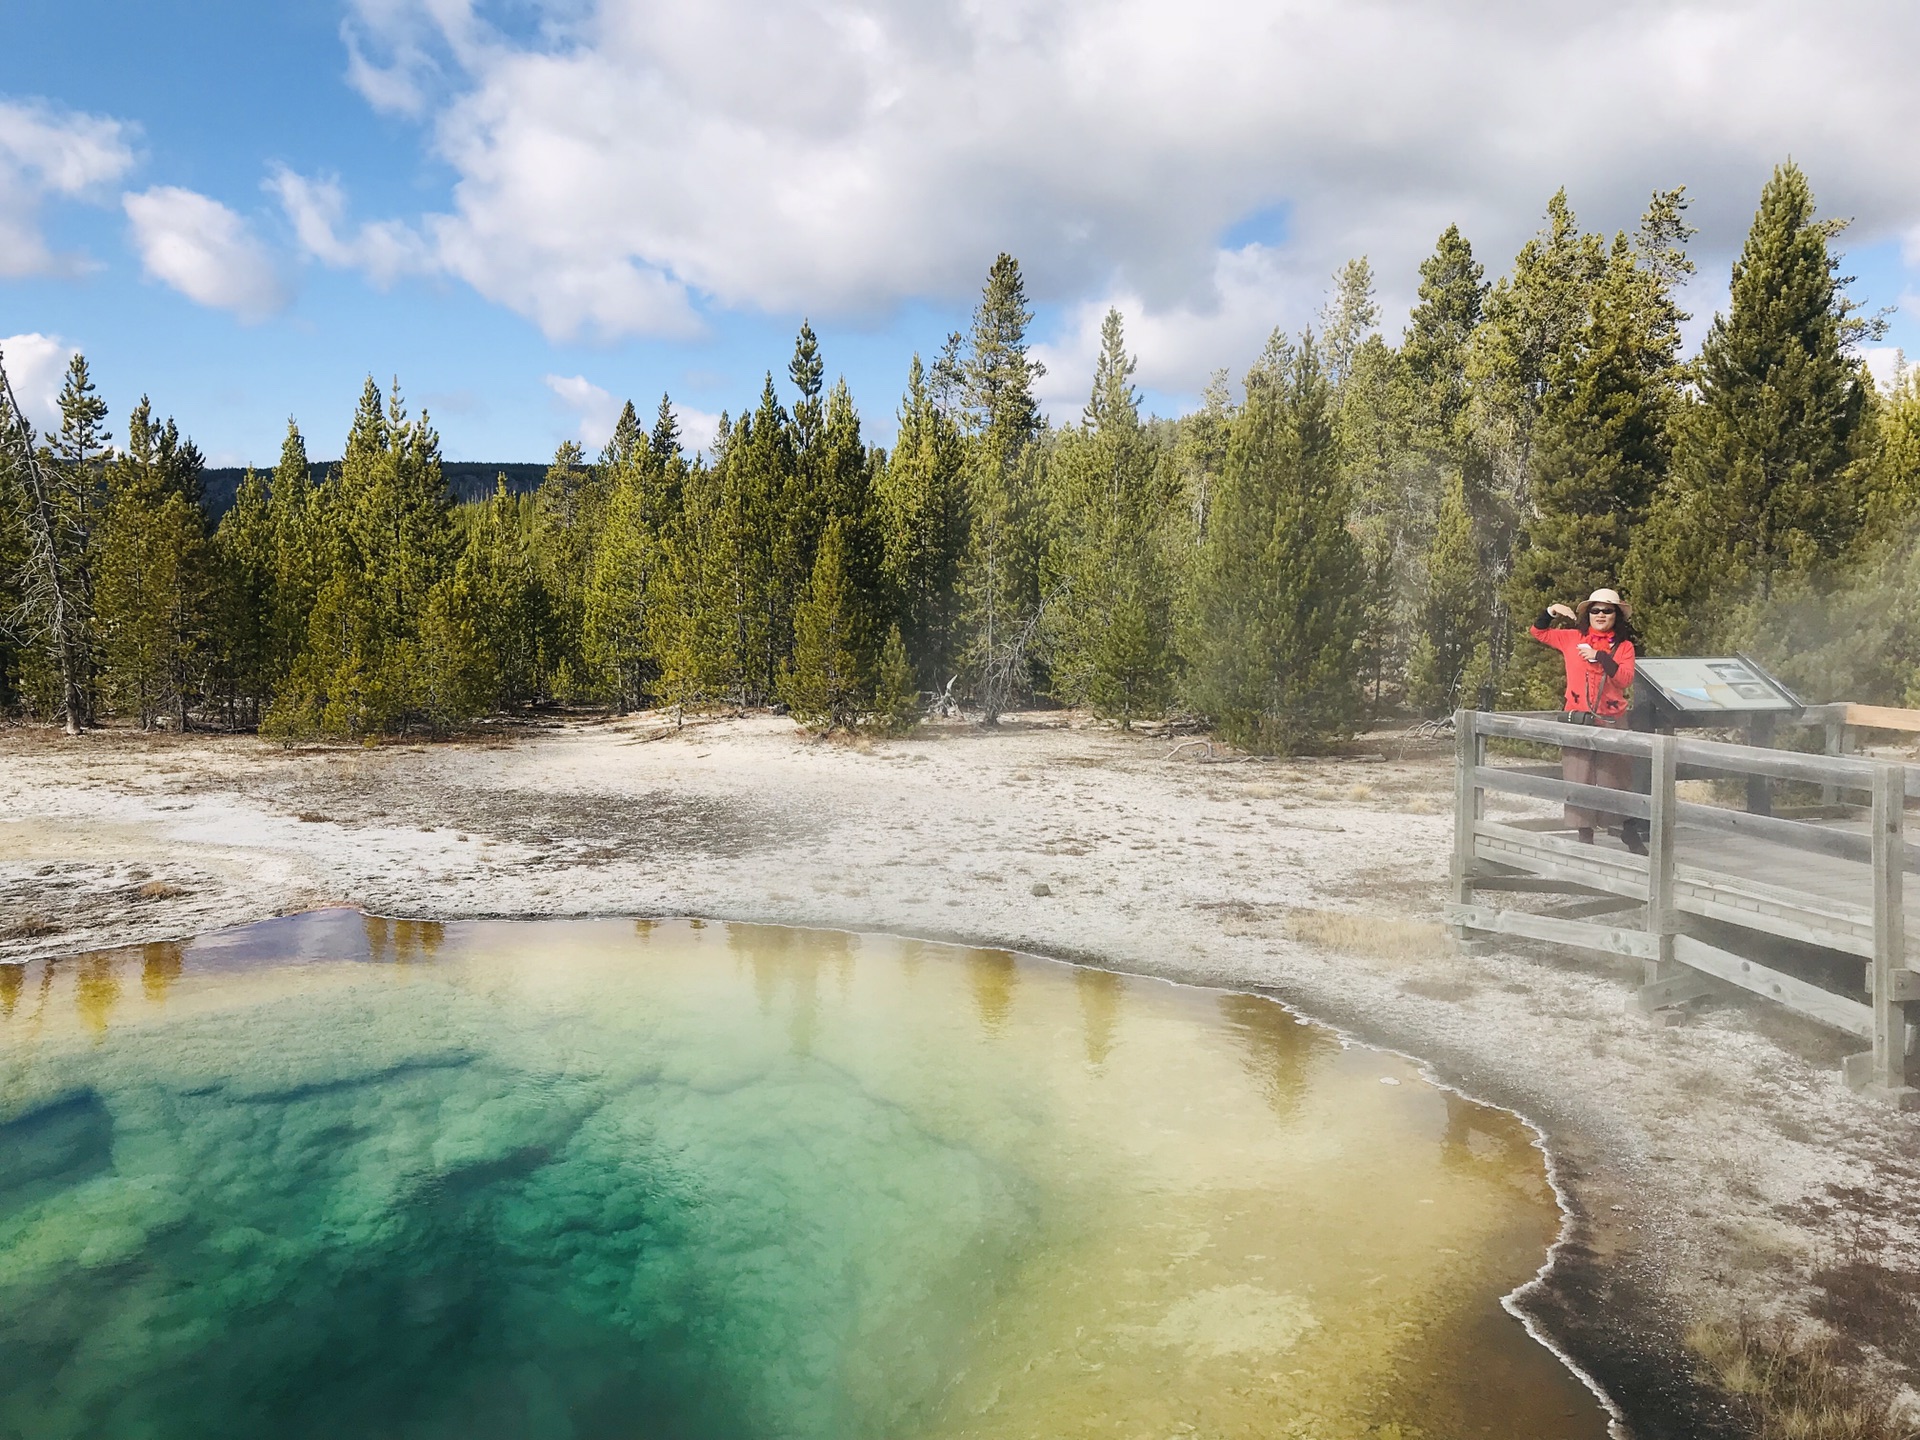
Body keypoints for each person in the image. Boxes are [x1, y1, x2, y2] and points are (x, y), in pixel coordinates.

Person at [1528, 588, 1645, 854]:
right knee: (1578, 775)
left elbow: (1624, 679)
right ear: (1587, 614)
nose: (1601, 615)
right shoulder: (1572, 638)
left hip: (1612, 720)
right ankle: (1585, 838)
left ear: (1616, 615)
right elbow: (1539, 632)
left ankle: (1627, 830)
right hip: (1579, 718)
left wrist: (1600, 657)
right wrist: (1551, 611)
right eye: (1595, 610)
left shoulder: (1624, 647)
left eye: (1607, 610)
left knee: (1615, 777)